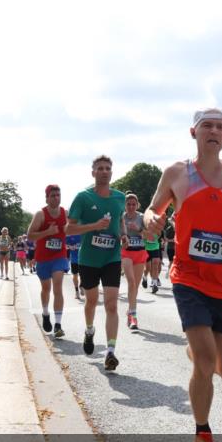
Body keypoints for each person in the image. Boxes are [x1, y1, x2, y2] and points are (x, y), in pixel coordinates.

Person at [143, 108, 222, 442]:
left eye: (221, 126)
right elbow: (151, 209)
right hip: (189, 277)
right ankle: (202, 433)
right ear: (194, 132)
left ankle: (195, 352)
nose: (214, 131)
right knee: (207, 360)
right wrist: (152, 221)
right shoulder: (178, 173)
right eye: (207, 125)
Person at [67, 156, 126, 370]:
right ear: (93, 173)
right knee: (91, 301)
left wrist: (123, 234)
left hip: (112, 257)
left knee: (111, 304)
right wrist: (93, 226)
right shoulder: (83, 197)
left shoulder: (120, 198)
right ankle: (89, 331)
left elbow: (120, 221)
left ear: (112, 172)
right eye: (100, 168)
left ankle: (110, 352)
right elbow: (69, 229)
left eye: (107, 168)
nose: (104, 171)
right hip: (89, 259)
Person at [29, 184, 70, 338]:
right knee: (46, 289)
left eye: (58, 195)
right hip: (43, 258)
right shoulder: (40, 214)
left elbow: (74, 228)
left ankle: (58, 324)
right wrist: (48, 232)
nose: (56, 198)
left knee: (58, 287)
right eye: (53, 195)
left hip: (59, 256)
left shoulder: (65, 213)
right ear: (47, 197)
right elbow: (30, 235)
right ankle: (46, 313)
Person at [120, 192, 152, 331]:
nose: (131, 207)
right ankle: (134, 317)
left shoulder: (141, 217)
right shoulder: (121, 217)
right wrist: (123, 238)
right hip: (126, 253)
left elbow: (150, 236)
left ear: (137, 205)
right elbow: (116, 234)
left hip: (140, 252)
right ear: (125, 205)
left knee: (135, 287)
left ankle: (130, 310)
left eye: (134, 204)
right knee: (131, 282)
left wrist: (138, 229)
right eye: (128, 204)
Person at [145, 225, 163, 294]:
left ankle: (155, 284)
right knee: (147, 268)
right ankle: (145, 278)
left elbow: (160, 236)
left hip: (155, 248)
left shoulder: (158, 228)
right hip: (147, 249)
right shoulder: (144, 228)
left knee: (155, 266)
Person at [66, 232, 83, 299]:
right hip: (74, 259)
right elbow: (64, 245)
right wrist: (70, 247)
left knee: (83, 275)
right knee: (75, 275)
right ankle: (76, 292)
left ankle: (81, 285)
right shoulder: (69, 235)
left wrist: (78, 246)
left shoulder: (82, 233)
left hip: (83, 258)